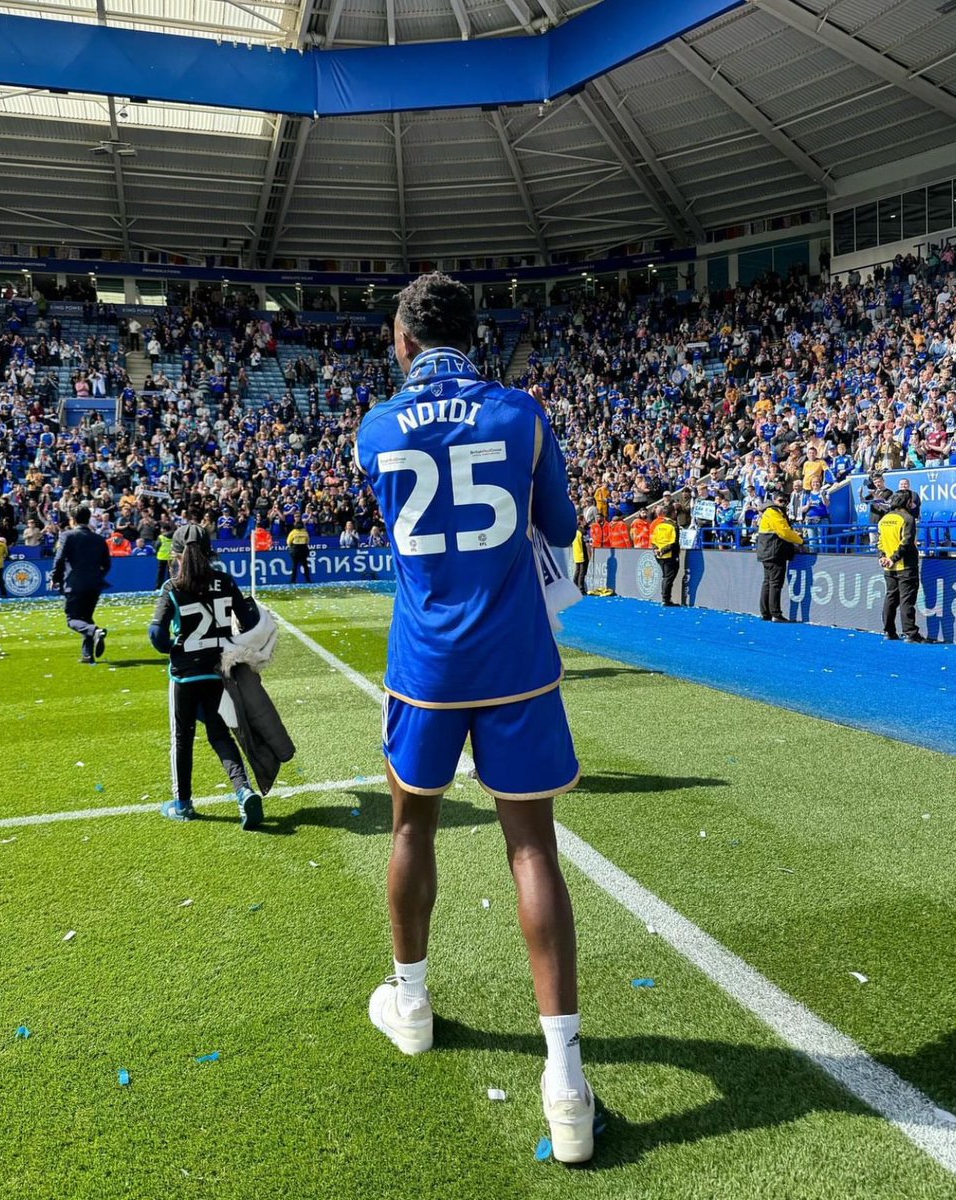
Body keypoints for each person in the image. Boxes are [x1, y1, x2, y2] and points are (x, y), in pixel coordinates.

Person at [355, 273, 592, 1163]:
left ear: (404, 339)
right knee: (532, 848)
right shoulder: (522, 414)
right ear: (473, 334)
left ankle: (410, 1004)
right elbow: (560, 529)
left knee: (411, 827)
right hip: (517, 663)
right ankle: (564, 1078)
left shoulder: (374, 428)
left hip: (425, 664)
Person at [148, 523, 265, 827]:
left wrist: (176, 648)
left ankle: (183, 804)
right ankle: (244, 790)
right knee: (218, 732)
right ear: (210, 551)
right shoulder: (225, 581)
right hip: (218, 670)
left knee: (182, 738)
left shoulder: (172, 586)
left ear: (176, 554)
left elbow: (156, 636)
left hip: (185, 675)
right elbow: (250, 620)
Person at [50, 507, 111, 663]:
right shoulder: (98, 539)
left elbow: (59, 559)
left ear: (73, 520)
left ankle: (95, 631)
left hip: (75, 584)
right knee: (86, 618)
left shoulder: (67, 536)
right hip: (94, 584)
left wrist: (55, 578)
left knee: (73, 619)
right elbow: (107, 563)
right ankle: (87, 654)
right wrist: (97, 576)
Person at [878, 491, 924, 642]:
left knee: (891, 597)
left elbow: (880, 542)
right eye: (911, 501)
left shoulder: (884, 519)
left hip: (889, 567)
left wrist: (883, 557)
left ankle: (888, 631)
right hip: (905, 566)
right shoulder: (908, 518)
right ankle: (910, 633)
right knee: (906, 600)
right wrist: (893, 558)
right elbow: (906, 542)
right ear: (907, 502)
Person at [756, 493, 803, 622]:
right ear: (774, 500)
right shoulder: (773, 511)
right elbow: (783, 532)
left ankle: (766, 613)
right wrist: (799, 540)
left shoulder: (769, 511)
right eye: (780, 500)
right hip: (774, 551)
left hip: (767, 551)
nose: (783, 503)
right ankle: (775, 614)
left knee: (768, 582)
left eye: (785, 501)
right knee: (775, 583)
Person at [651, 505, 680, 606]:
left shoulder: (659, 525)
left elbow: (653, 541)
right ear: (673, 513)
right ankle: (665, 599)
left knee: (666, 576)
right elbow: (674, 542)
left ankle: (665, 598)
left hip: (659, 555)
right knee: (668, 577)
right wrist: (663, 551)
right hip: (669, 554)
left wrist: (657, 550)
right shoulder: (673, 526)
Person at [286, 518, 312, 584]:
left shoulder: (293, 532)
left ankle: (293, 580)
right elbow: (308, 541)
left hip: (295, 550)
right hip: (303, 550)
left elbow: (288, 542)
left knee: (295, 566)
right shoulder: (305, 532)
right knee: (305, 566)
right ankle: (308, 580)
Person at [571, 515, 589, 595]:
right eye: (585, 520)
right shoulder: (583, 531)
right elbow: (587, 544)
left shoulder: (575, 531)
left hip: (576, 553)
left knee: (577, 571)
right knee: (582, 572)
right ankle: (581, 589)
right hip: (582, 554)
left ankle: (574, 587)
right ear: (582, 521)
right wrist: (589, 554)